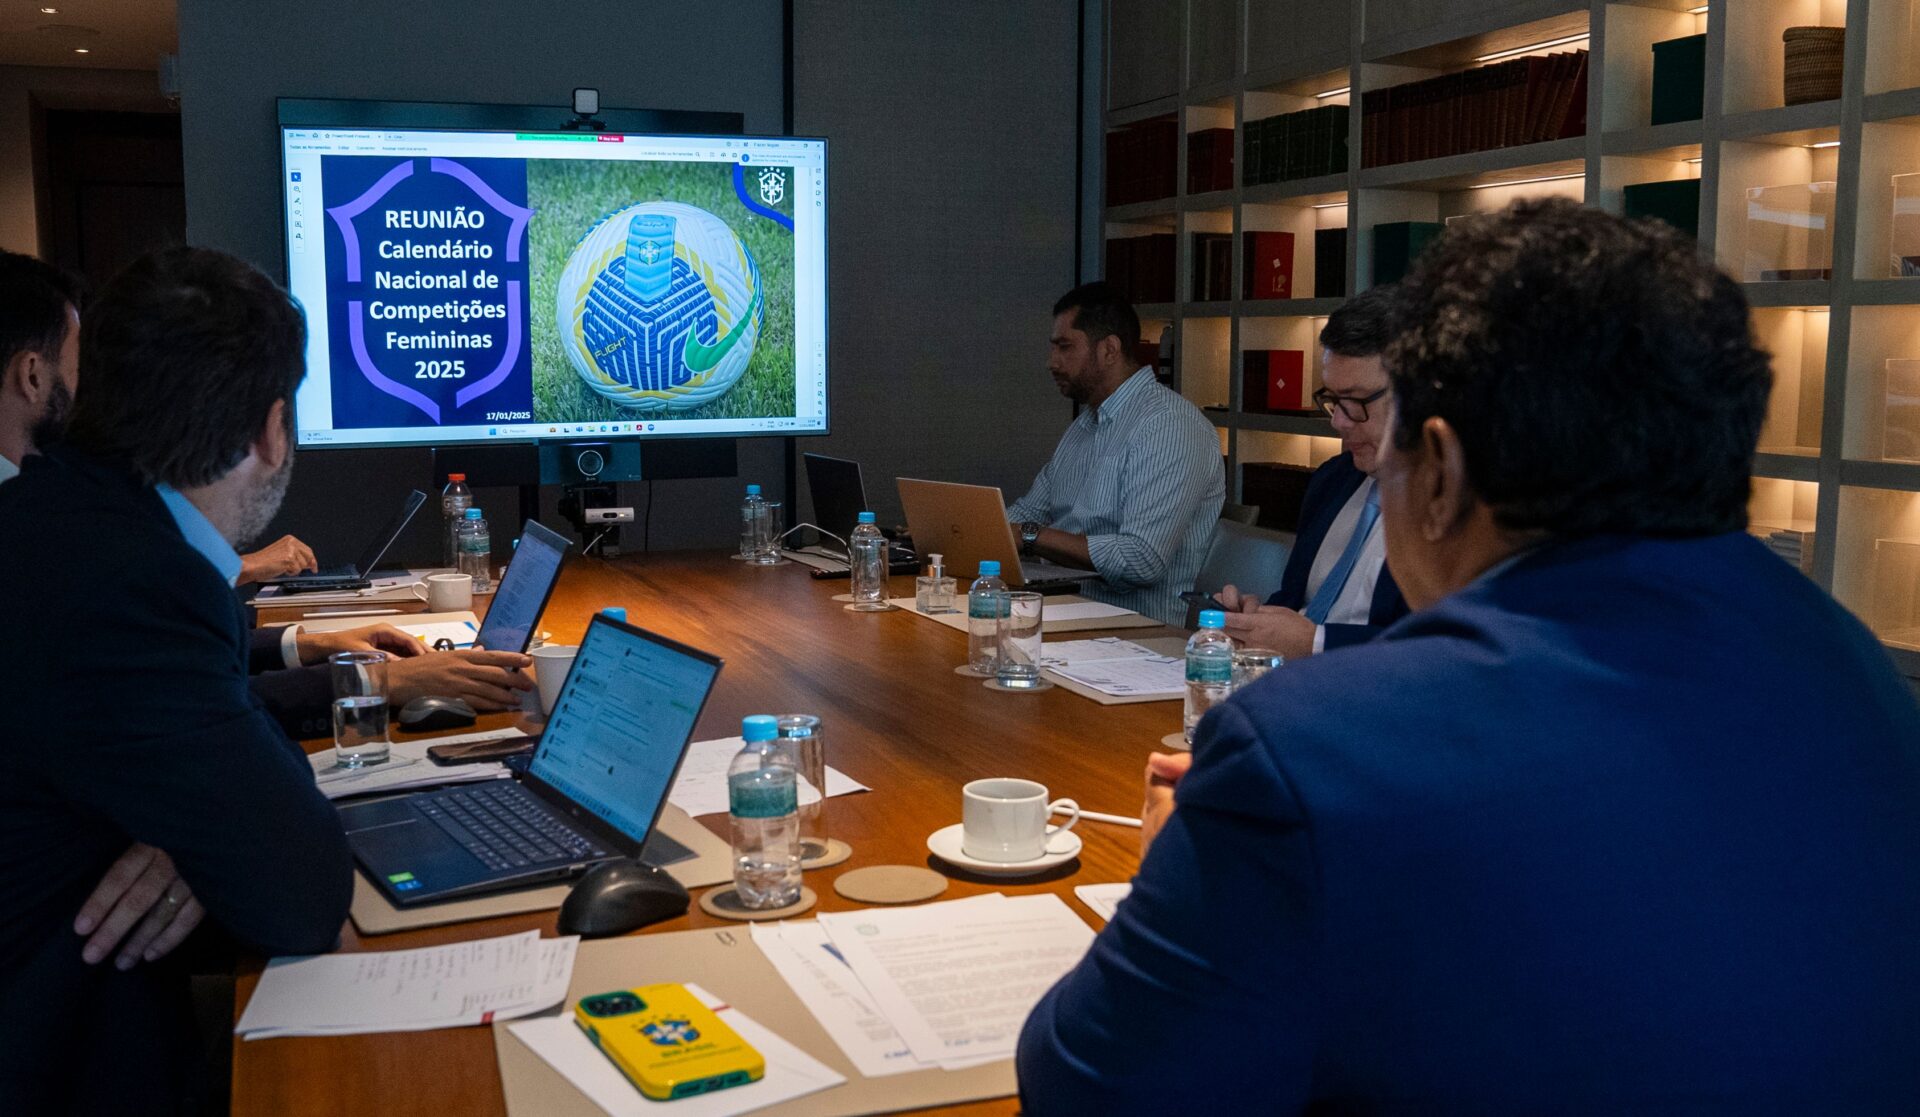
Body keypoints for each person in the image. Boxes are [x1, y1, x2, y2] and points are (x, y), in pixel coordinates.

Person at [1017, 199, 1920, 1112]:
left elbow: (1085, 1084)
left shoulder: (1308, 752)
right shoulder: (1867, 678)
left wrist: (1177, 878)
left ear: (1439, 470)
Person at [0, 247, 359, 1112]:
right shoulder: (131, 584)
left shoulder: (51, 520)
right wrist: (216, 836)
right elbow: (305, 892)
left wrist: (195, 830)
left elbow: (231, 768)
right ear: (271, 429)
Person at [0, 248, 532, 739]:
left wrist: (309, 645)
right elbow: (285, 825)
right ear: (272, 431)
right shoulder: (145, 574)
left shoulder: (53, 513)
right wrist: (383, 684)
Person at [1007, 282, 1223, 624]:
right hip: (1067, 612)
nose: (1052, 362)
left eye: (1065, 347)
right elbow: (1027, 513)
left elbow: (1140, 560)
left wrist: (1031, 536)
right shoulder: (1084, 426)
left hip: (1137, 632)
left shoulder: (1170, 426)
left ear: (1109, 350)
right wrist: (968, 529)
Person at [1217, 284, 1408, 657]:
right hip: (1292, 691)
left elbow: (1442, 652)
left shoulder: (1468, 511)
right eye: (1332, 400)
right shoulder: (1333, 479)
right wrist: (1256, 622)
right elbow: (1297, 603)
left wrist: (1314, 644)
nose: (1337, 421)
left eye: (1353, 402)